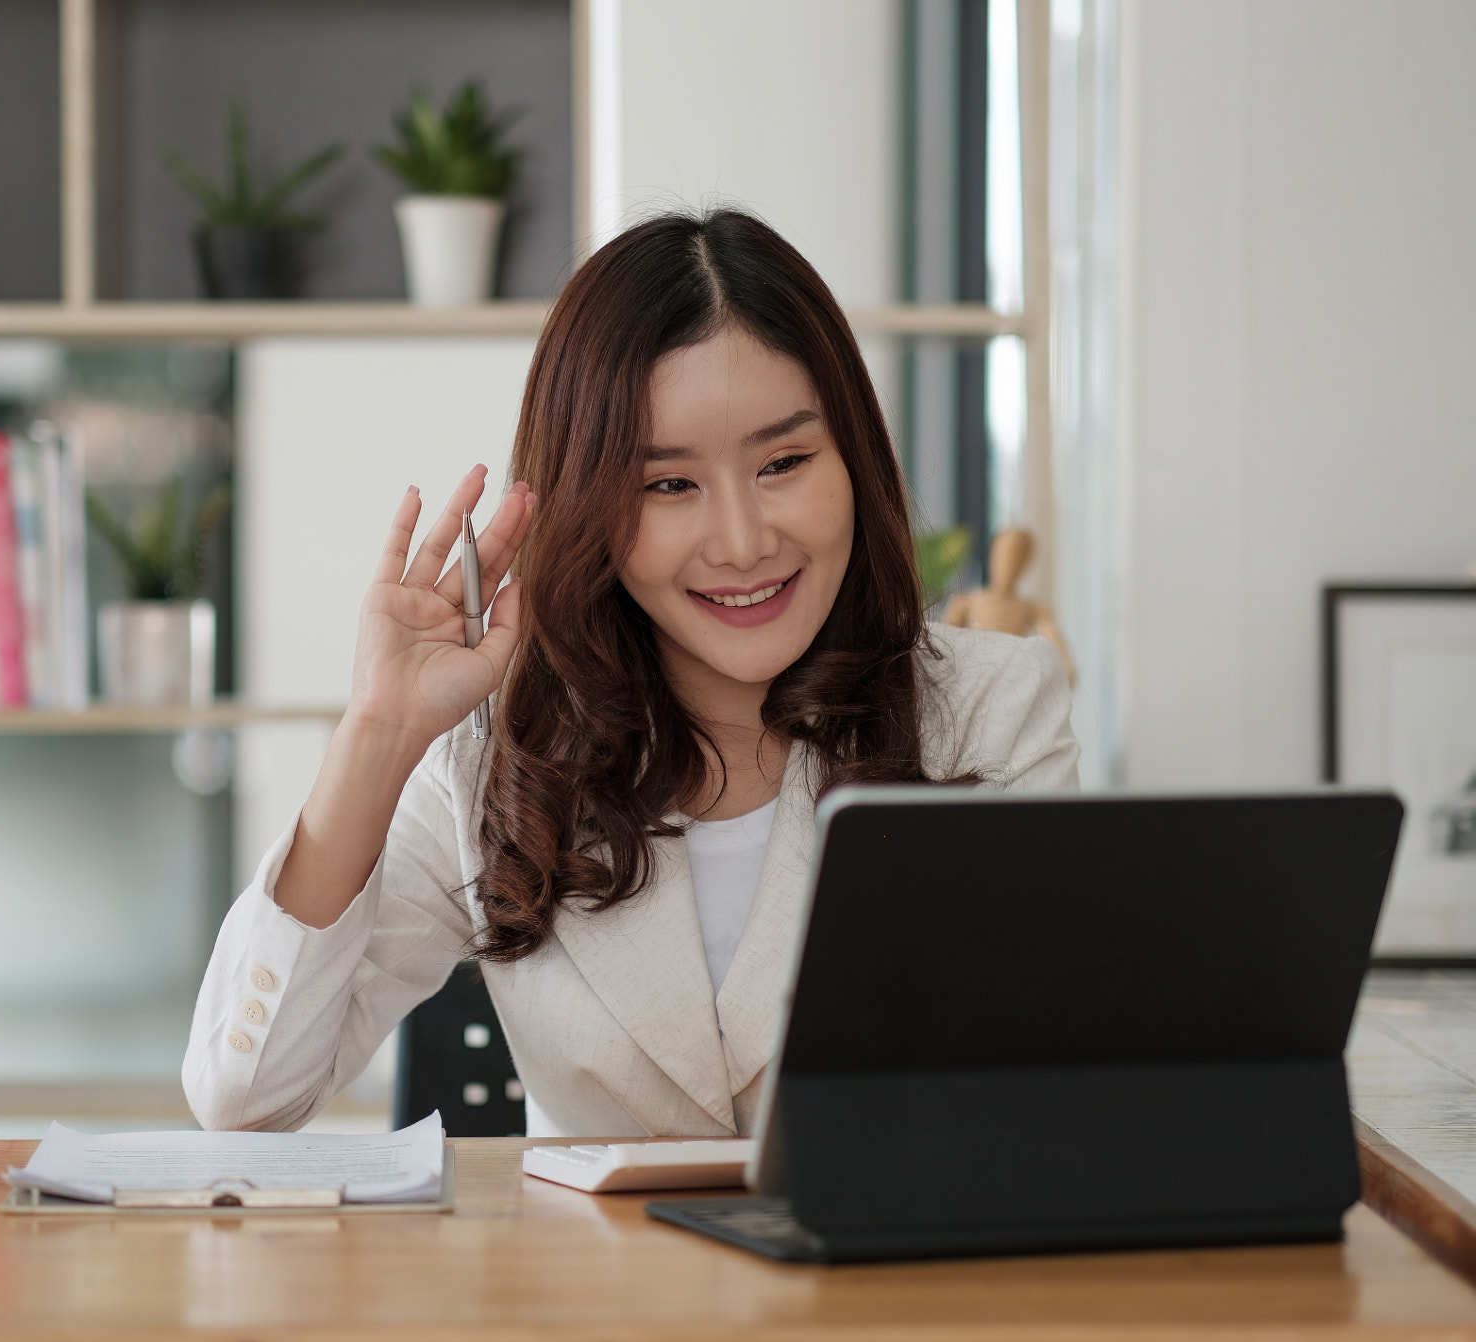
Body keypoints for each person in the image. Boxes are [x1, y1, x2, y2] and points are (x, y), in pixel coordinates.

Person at [184, 209, 1078, 1139]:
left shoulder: (990, 711)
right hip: (601, 1288)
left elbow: (1053, 1092)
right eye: (669, 485)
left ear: (853, 458)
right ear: (589, 507)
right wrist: (377, 734)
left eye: (784, 462)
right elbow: (246, 1099)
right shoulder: (496, 762)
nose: (742, 541)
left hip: (888, 1284)